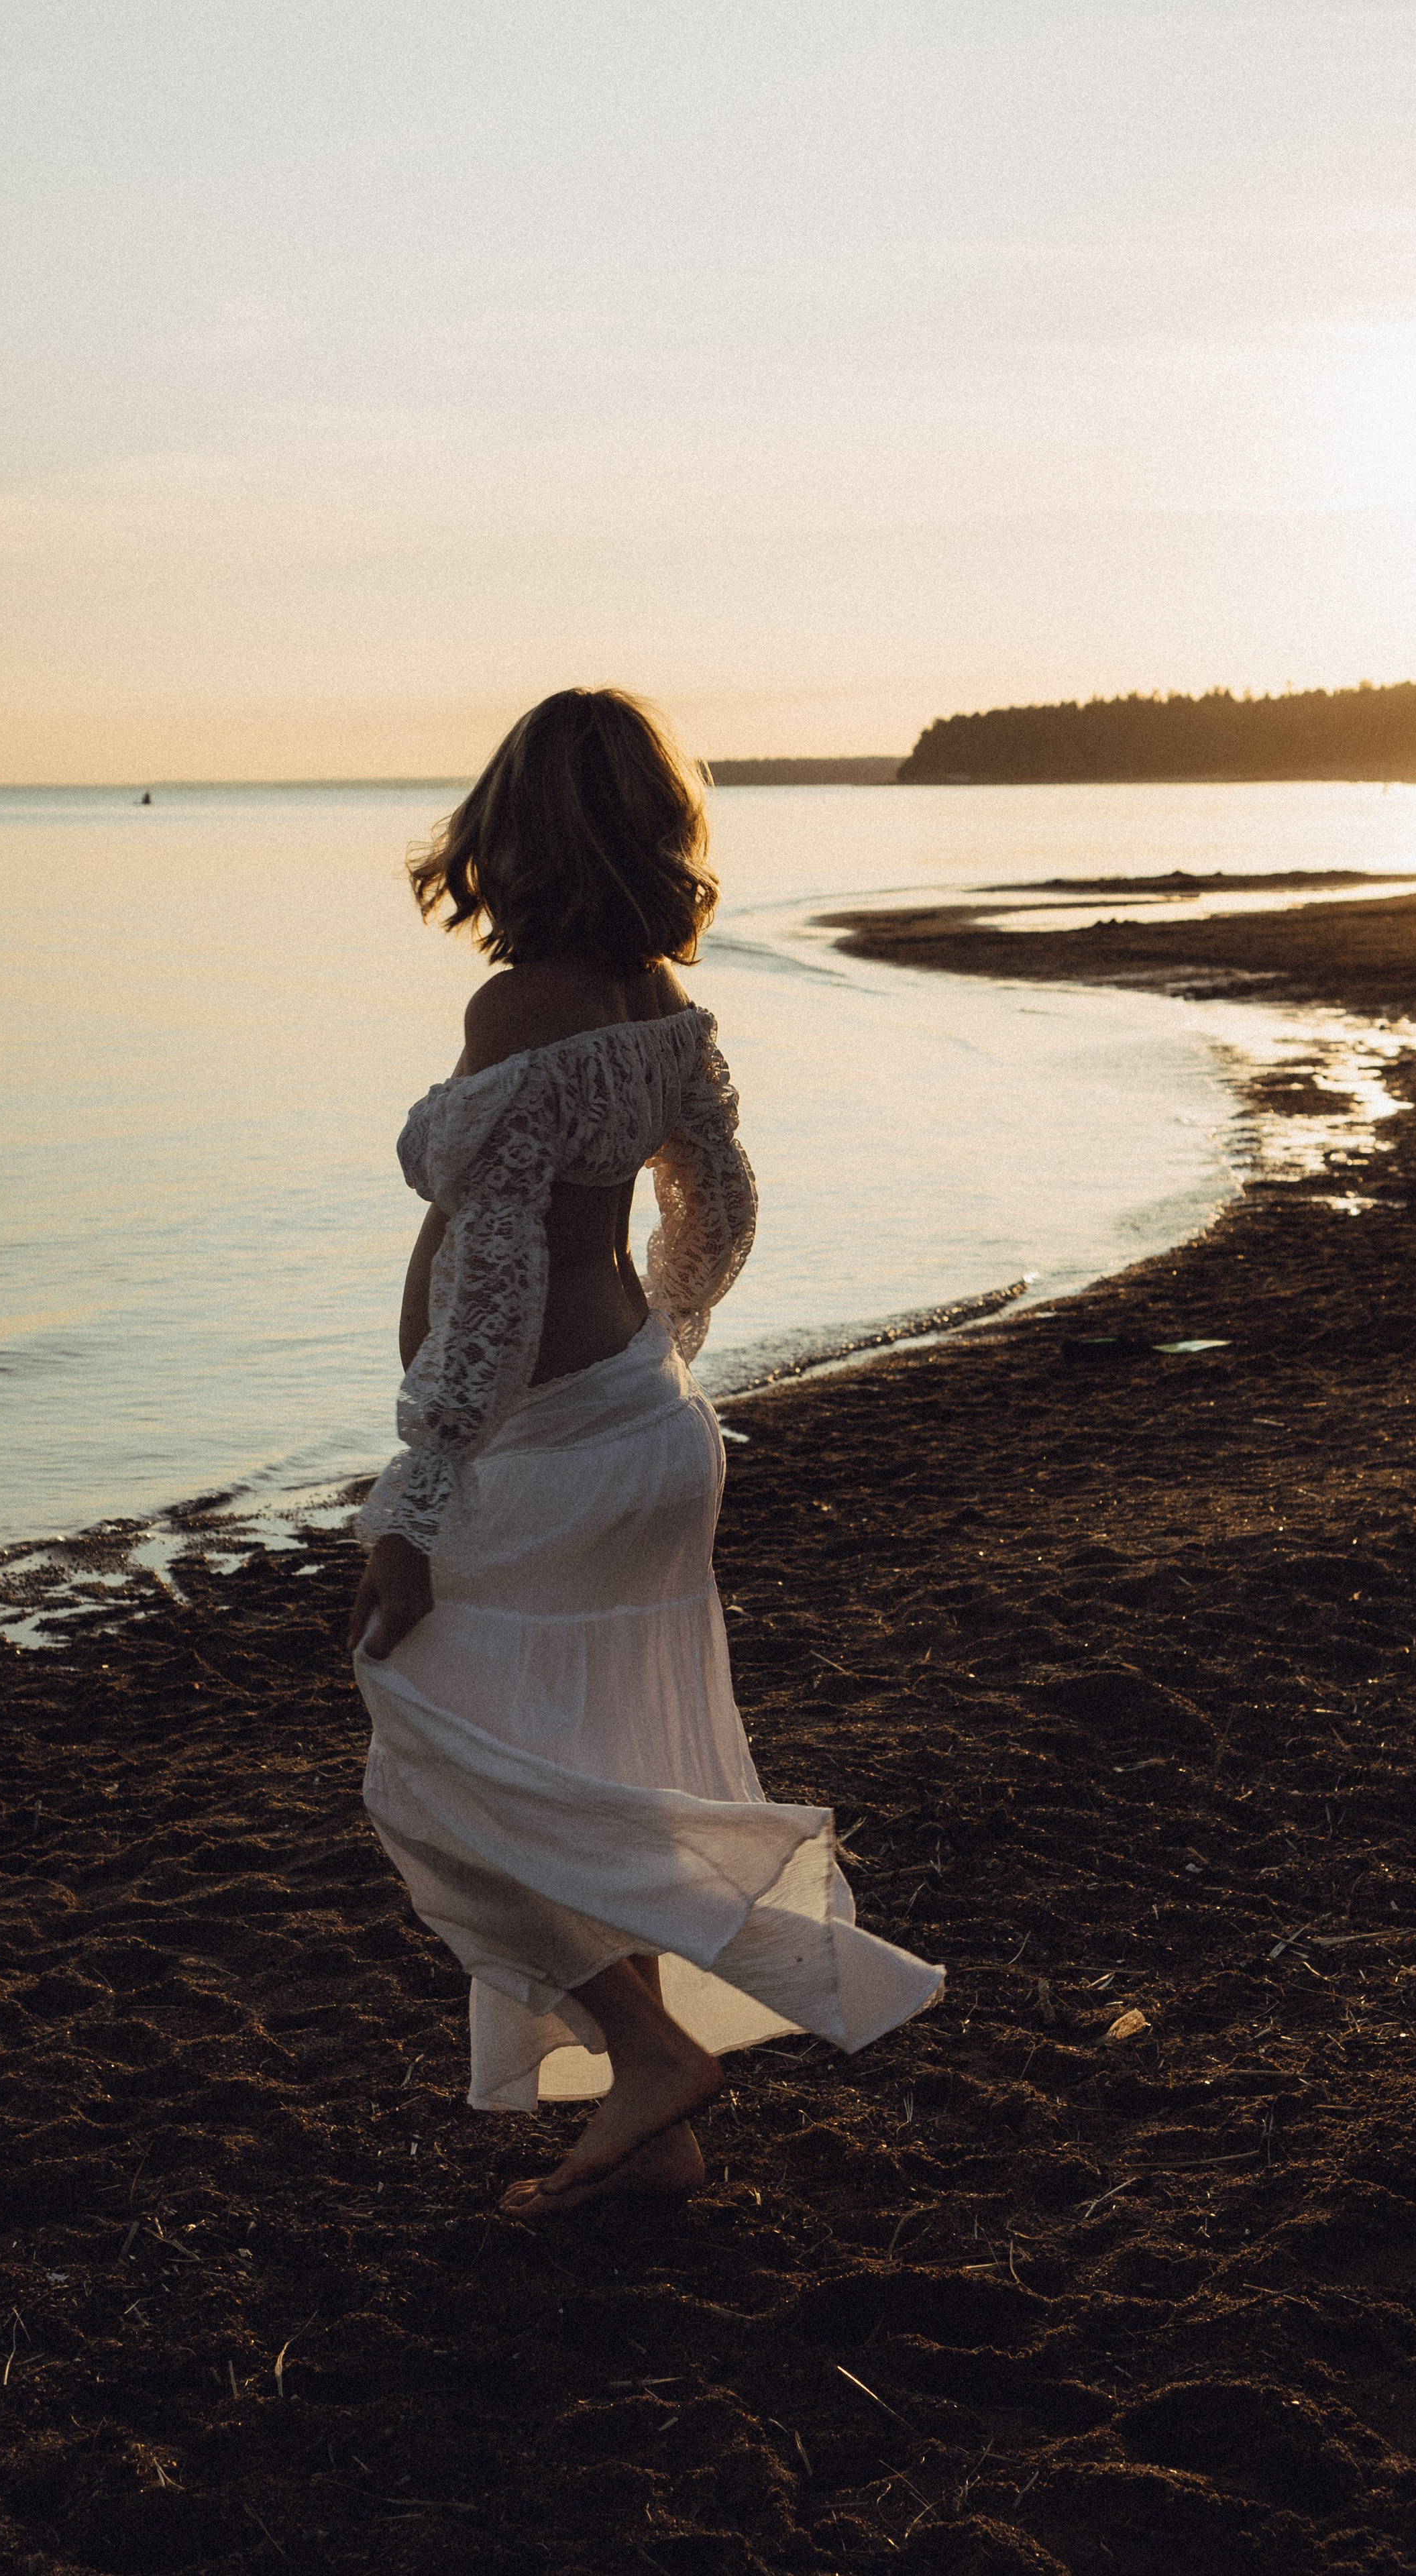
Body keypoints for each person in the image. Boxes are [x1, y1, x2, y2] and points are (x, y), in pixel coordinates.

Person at [348, 688, 941, 2218]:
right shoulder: (659, 1001)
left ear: (514, 834)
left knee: (438, 1776)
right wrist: (655, 1358)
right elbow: (719, 1205)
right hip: (633, 1427)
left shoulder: (521, 1011)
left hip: (540, 1450)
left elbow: (485, 1290)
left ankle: (650, 2053)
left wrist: (411, 1502)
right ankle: (650, 2111)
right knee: (564, 1771)